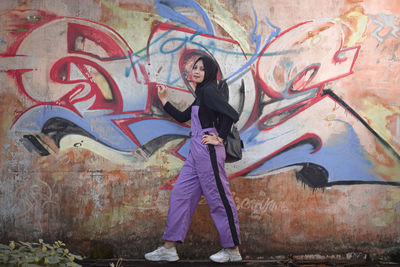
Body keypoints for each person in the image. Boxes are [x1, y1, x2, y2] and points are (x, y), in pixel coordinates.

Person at [144, 55, 242, 263]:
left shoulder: (208, 91)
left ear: (209, 73)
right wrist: (164, 100)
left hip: (208, 150)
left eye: (202, 69)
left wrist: (220, 138)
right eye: (194, 67)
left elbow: (231, 114)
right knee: (181, 195)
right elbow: (182, 117)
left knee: (218, 198)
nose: (196, 71)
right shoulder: (201, 94)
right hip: (196, 151)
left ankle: (232, 250)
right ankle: (169, 248)